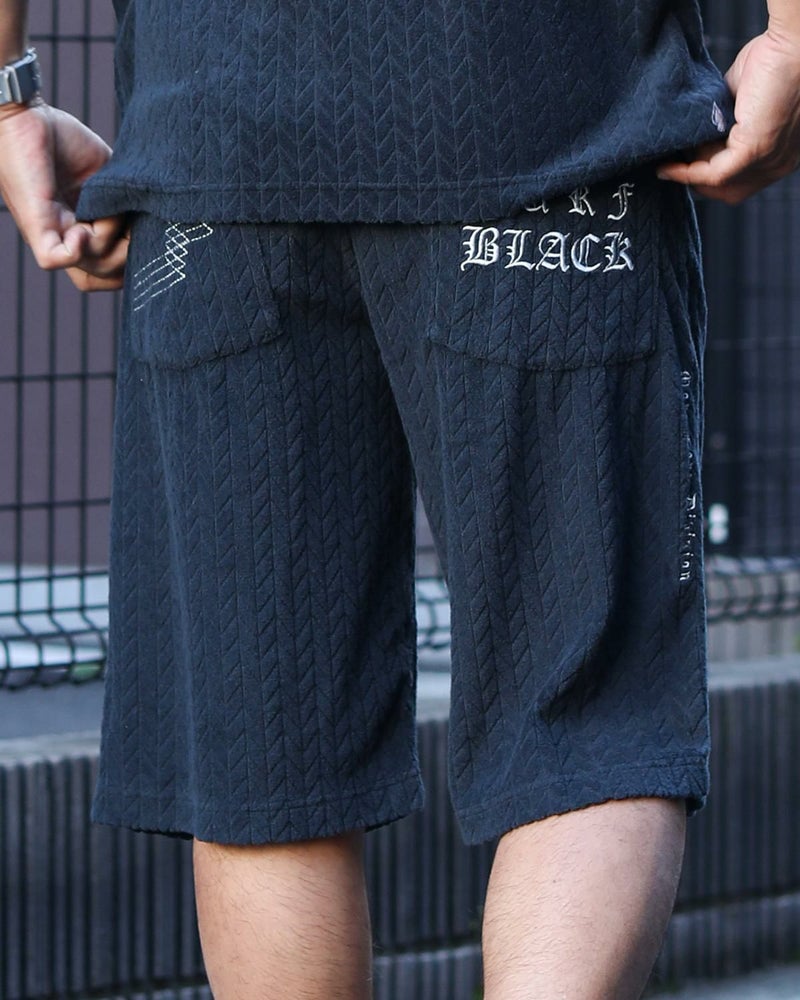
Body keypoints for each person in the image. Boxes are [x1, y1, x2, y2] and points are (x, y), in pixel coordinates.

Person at [1, 2, 799, 997]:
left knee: (267, 741)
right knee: (586, 708)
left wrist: (9, 95)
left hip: (218, 128)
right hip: (542, 111)